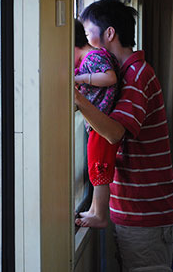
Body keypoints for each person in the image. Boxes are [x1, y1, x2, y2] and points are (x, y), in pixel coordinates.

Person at [74, 0, 173, 271]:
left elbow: (113, 133)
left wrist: (77, 98)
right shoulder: (124, 73)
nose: (86, 43)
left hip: (146, 213)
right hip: (135, 208)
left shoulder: (136, 75)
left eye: (88, 35)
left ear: (109, 34)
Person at [73, 19, 120, 228]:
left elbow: (110, 78)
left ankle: (100, 215)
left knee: (100, 170)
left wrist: (83, 79)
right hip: (97, 125)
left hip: (102, 125)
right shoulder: (91, 58)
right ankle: (93, 209)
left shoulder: (93, 56)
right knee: (95, 168)